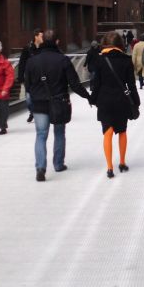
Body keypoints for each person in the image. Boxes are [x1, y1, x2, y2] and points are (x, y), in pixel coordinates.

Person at [24, 29, 91, 181]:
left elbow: (28, 85)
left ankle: (40, 167)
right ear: (57, 41)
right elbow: (75, 84)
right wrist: (89, 97)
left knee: (41, 135)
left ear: (42, 41)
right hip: (59, 102)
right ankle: (58, 164)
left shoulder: (32, 61)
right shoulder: (63, 60)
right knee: (59, 133)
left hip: (39, 104)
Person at [90, 32, 140, 179]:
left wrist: (93, 99)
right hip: (121, 100)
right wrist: (135, 101)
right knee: (122, 131)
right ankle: (122, 162)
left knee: (108, 132)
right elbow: (131, 84)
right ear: (120, 44)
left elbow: (96, 84)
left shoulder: (99, 60)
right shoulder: (126, 60)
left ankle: (109, 167)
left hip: (104, 100)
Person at [16, 28, 43, 123]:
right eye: (41, 36)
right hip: (29, 78)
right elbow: (22, 63)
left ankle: (38, 113)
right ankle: (32, 112)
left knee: (40, 97)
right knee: (29, 99)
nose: (42, 37)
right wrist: (20, 77)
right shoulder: (27, 48)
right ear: (36, 37)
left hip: (41, 77)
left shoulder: (44, 48)